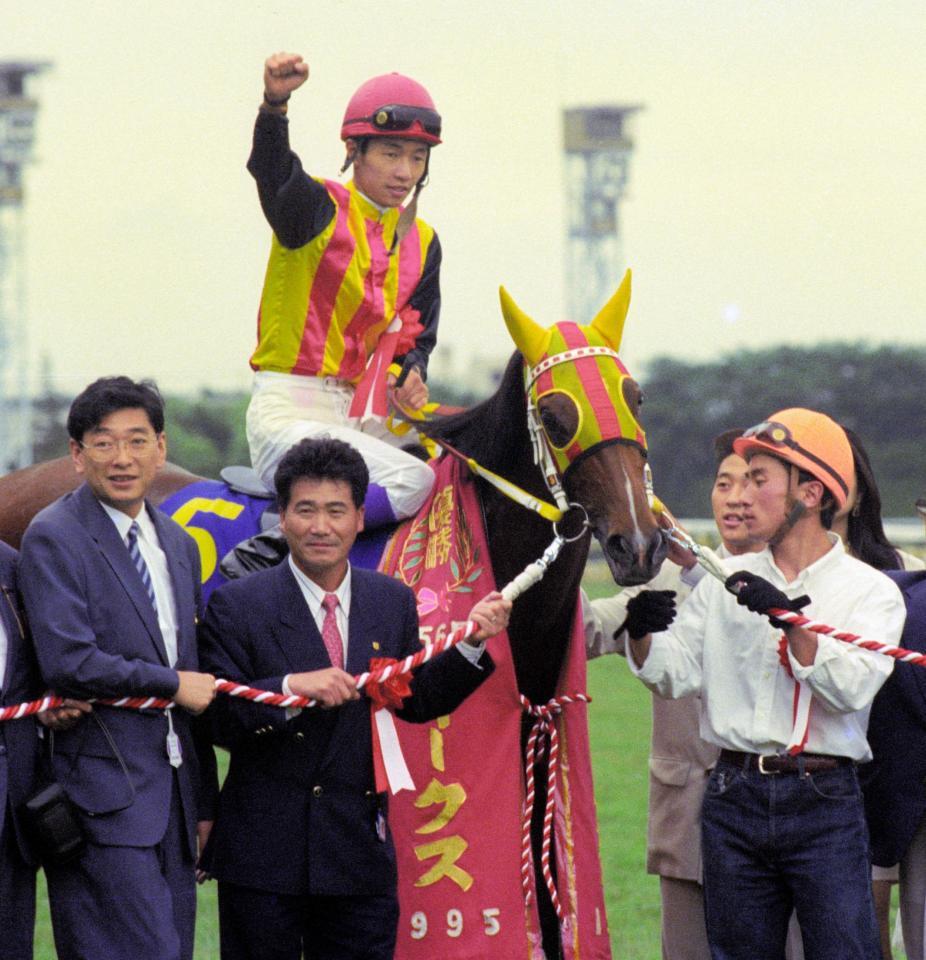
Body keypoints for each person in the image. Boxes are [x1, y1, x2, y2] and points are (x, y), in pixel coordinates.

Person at [198, 436, 511, 960]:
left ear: (360, 518)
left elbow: (414, 698)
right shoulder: (237, 604)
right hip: (263, 855)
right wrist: (290, 690)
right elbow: (218, 719)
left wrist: (473, 644)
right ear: (282, 516)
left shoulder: (391, 601)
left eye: (336, 511)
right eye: (306, 510)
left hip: (357, 853)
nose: (321, 527)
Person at [623, 408, 906, 960]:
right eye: (737, 479)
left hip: (826, 802)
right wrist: (641, 634)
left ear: (812, 493)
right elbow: (674, 673)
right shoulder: (720, 583)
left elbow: (850, 689)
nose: (742, 495)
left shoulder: (872, 592)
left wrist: (789, 622)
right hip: (732, 795)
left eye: (759, 479)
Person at [19, 376, 218, 960]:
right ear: (77, 456)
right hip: (101, 797)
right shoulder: (54, 536)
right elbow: (70, 660)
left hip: (175, 804)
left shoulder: (179, 544)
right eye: (103, 443)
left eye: (137, 441)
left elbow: (194, 671)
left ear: (162, 447)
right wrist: (171, 686)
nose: (122, 458)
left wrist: (204, 801)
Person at [245, 51, 441, 530]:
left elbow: (416, 340)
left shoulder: (424, 243)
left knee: (456, 468)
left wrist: (409, 373)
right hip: (288, 410)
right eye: (391, 154)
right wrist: (274, 105)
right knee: (414, 482)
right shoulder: (314, 209)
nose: (405, 173)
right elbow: (271, 169)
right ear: (355, 150)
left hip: (361, 416)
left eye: (417, 158)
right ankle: (284, 547)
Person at [586, 429, 760, 960]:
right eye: (724, 483)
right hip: (688, 816)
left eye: (753, 483)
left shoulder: (803, 581)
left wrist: (697, 574)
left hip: (780, 820)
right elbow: (590, 630)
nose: (735, 497)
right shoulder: (662, 577)